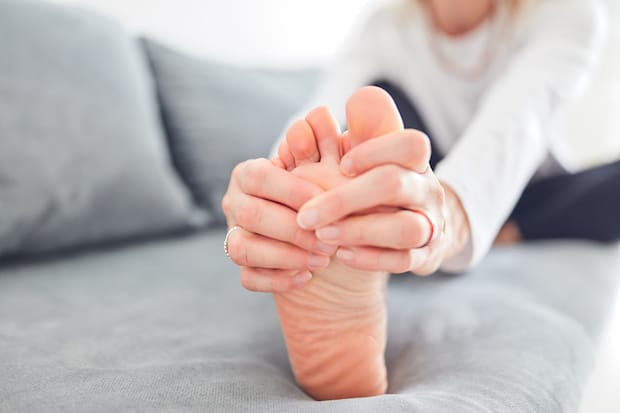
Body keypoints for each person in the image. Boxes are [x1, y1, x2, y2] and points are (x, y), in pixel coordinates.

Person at [221, 0, 617, 400]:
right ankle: (364, 221)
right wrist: (272, 192)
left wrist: (449, 216)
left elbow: (516, 125)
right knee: (381, 103)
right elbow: (316, 119)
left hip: (529, 190)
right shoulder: (384, 27)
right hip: (417, 175)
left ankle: (469, 229)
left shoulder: (567, 13)